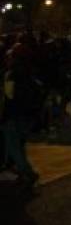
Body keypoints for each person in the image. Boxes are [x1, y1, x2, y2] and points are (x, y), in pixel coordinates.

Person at [2, 45, 40, 187]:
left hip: (13, 114)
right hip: (27, 114)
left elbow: (8, 96)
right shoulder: (28, 71)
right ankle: (16, 168)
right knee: (19, 144)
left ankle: (27, 172)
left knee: (14, 146)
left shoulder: (11, 74)